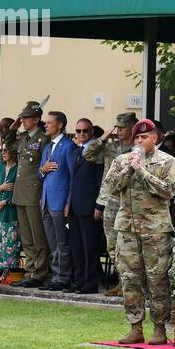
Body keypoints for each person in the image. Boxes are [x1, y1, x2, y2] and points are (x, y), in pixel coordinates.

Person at [106, 119, 175, 345]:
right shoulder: (121, 161)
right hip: (127, 228)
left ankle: (160, 328)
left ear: (155, 139)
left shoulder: (167, 161)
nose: (140, 141)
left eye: (144, 137)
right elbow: (110, 187)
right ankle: (135, 327)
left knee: (157, 279)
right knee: (130, 279)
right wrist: (130, 168)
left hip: (155, 230)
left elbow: (169, 191)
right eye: (137, 137)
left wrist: (143, 172)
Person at [0, 101, 50, 287]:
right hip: (20, 192)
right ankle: (30, 271)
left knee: (38, 236)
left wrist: (40, 195)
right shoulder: (24, 138)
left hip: (34, 192)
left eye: (26, 117)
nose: (23, 120)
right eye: (22, 117)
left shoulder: (42, 139)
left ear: (36, 119)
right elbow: (9, 144)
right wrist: (12, 128)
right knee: (26, 236)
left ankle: (40, 272)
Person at [87, 111, 136, 296]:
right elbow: (88, 154)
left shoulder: (138, 149)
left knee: (129, 245)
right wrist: (102, 138)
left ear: (132, 128)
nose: (119, 131)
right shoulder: (111, 147)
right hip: (110, 201)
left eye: (122, 128)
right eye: (117, 128)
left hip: (130, 202)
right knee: (112, 245)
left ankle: (131, 285)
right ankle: (121, 282)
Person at [38, 110, 75, 291]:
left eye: (49, 122)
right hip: (46, 200)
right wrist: (43, 169)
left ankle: (63, 278)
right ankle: (55, 276)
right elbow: (40, 173)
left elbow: (72, 175)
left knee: (62, 242)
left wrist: (69, 201)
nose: (45, 125)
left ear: (59, 125)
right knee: (52, 242)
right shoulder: (47, 147)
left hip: (60, 202)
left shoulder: (68, 146)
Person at [66, 119, 104, 294]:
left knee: (90, 247)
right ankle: (79, 280)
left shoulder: (97, 152)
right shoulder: (75, 151)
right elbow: (72, 180)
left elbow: (99, 181)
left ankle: (90, 282)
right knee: (77, 246)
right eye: (78, 131)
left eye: (85, 131)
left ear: (92, 133)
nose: (81, 134)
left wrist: (99, 205)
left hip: (90, 206)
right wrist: (68, 203)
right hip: (74, 205)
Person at [0, 144, 21, 284]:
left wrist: (5, 202)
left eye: (6, 150)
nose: (3, 153)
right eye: (2, 151)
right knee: (1, 243)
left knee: (11, 241)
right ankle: (3, 272)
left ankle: (10, 273)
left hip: (11, 211)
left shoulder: (18, 169)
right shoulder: (2, 168)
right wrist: (0, 188)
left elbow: (19, 190)